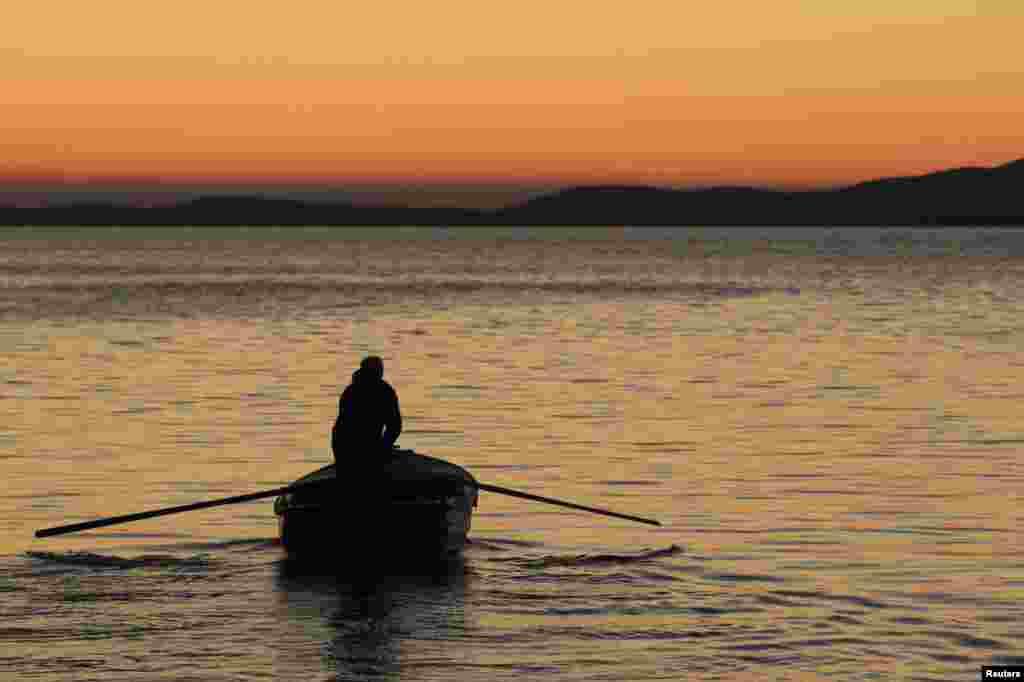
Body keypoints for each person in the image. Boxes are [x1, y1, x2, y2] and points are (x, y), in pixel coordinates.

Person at [331, 356, 402, 464]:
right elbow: (395, 426)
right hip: (363, 448)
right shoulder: (384, 391)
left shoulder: (350, 390)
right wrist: (384, 447)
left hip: (342, 447)